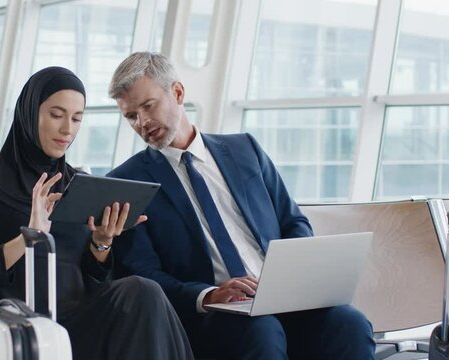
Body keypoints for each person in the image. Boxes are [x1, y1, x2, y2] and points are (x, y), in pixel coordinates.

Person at [107, 52, 375, 360]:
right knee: (261, 330)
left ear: (178, 92)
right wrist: (208, 295)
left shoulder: (245, 149)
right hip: (212, 315)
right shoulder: (128, 183)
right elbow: (144, 274)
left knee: (349, 323)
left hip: (280, 296)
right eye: (130, 116)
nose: (142, 122)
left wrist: (287, 277)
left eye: (148, 105)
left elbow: (293, 222)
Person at [0, 66, 193, 360]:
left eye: (76, 119)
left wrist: (101, 243)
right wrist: (30, 237)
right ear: (29, 113)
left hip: (79, 319)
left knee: (143, 290)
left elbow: (92, 280)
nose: (68, 130)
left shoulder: (76, 183)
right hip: (22, 326)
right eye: (56, 115)